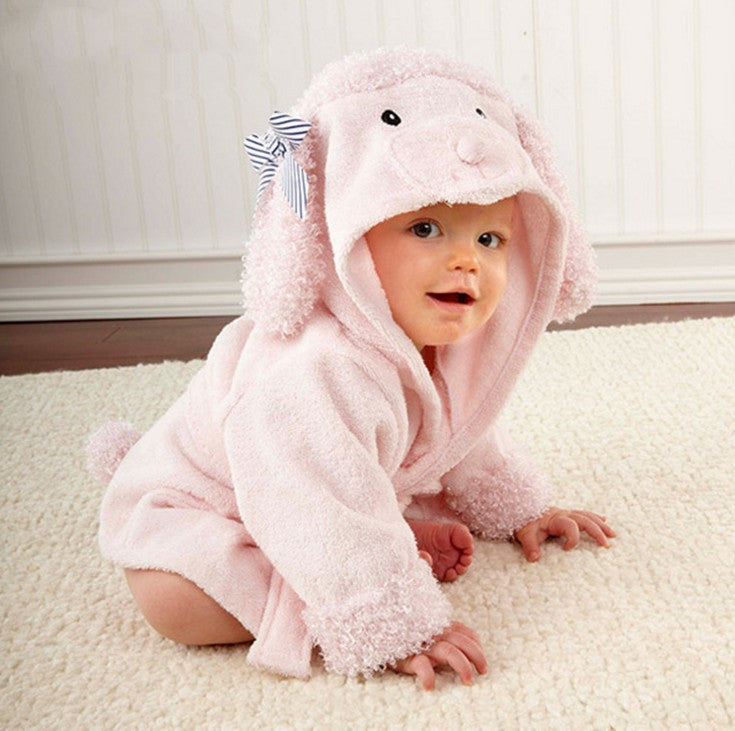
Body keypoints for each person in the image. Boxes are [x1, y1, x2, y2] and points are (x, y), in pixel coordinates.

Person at [87, 46, 616, 692]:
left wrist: (517, 508)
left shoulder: (430, 337)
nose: (467, 261)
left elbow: (460, 430)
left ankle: (366, 545)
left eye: (489, 239)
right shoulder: (313, 371)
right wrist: (392, 619)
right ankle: (334, 580)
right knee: (175, 602)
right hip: (203, 507)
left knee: (347, 501)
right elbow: (308, 495)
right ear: (349, 235)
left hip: (310, 491)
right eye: (425, 228)